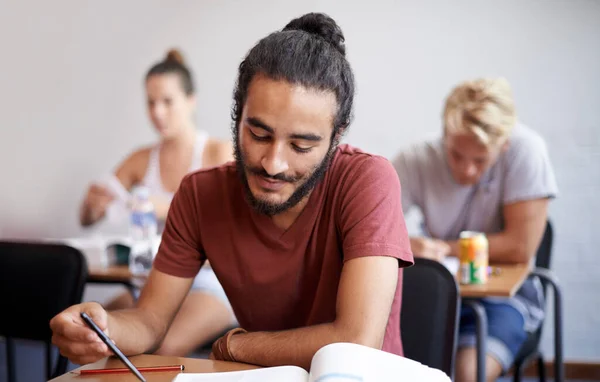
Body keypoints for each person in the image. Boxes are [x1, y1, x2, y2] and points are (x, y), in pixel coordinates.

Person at [51, 12, 413, 370]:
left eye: (301, 145)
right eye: (259, 134)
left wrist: (237, 345)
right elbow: (149, 322)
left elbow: (356, 341)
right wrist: (104, 327)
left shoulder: (367, 180)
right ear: (237, 115)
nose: (273, 163)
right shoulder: (199, 195)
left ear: (336, 137)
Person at [392, 78, 558, 382]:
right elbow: (375, 229)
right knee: (399, 363)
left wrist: (439, 247)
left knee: (469, 373)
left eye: (480, 160)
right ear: (444, 135)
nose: (466, 170)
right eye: (456, 155)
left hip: (506, 299)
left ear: (504, 144)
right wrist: (405, 243)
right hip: (439, 293)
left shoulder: (527, 151)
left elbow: (520, 247)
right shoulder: (415, 159)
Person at [78, 49, 237, 356]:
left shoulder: (219, 154)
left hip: (209, 282)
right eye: (150, 102)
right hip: (153, 283)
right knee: (91, 336)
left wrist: (162, 207)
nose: (158, 112)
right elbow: (86, 219)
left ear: (191, 101)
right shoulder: (141, 159)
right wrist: (91, 204)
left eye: (167, 101)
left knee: (158, 348)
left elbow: (232, 235)